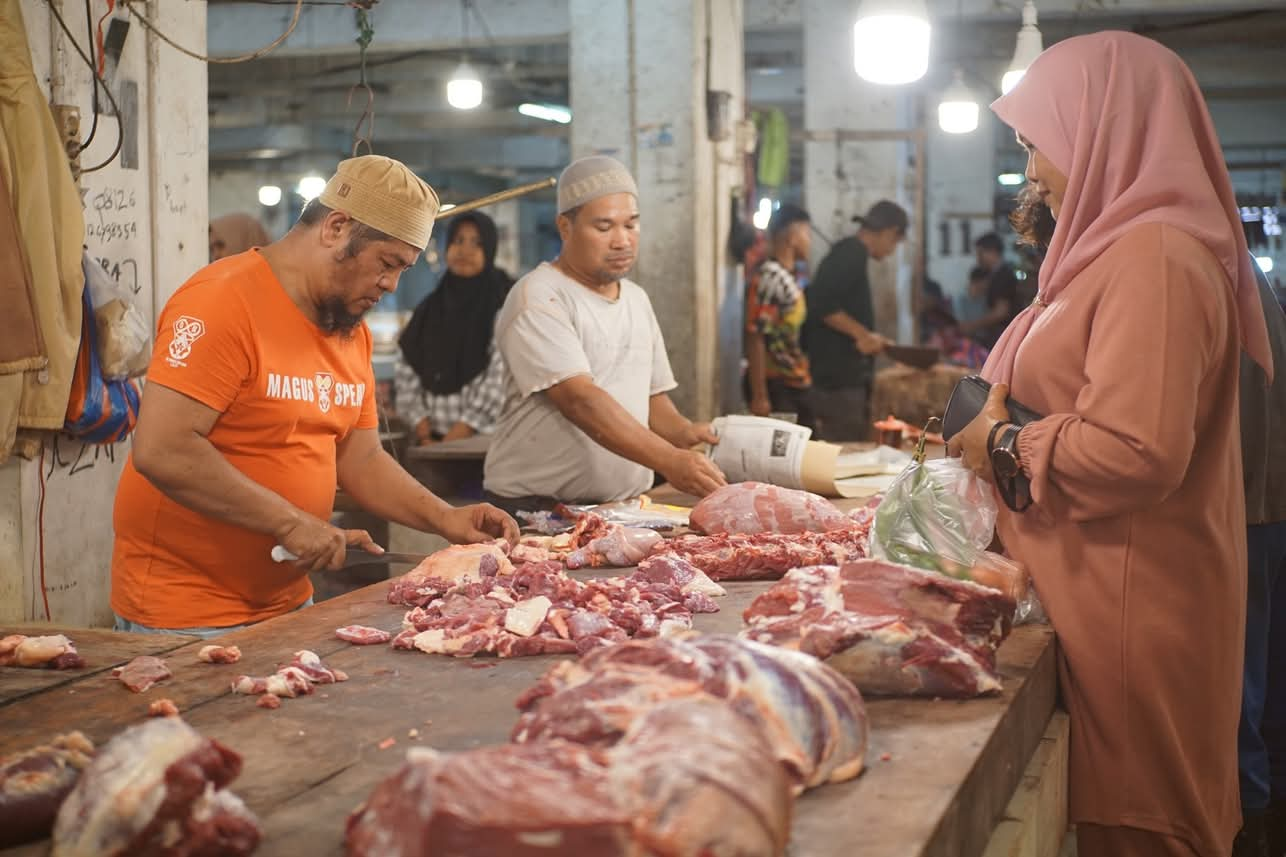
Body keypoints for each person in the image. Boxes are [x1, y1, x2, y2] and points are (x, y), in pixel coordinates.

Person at [946, 32, 1273, 857]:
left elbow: (1138, 451)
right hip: (1090, 594)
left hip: (1132, 614)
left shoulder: (1156, 260)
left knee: (1135, 831)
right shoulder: (1110, 255)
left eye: (1038, 146)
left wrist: (1002, 440)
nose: (1033, 175)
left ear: (1104, 132)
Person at [112, 155, 519, 638]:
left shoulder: (347, 327)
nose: (391, 286)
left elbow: (361, 457)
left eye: (404, 270)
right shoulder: (223, 301)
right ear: (337, 227)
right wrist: (289, 521)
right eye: (387, 264)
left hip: (289, 601)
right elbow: (163, 448)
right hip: (185, 614)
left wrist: (445, 517)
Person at [482, 155, 725, 510]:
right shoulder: (540, 296)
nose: (622, 241)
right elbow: (580, 401)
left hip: (621, 507)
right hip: (537, 510)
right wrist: (669, 460)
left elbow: (652, 399)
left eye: (631, 225)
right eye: (604, 227)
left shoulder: (637, 299)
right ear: (565, 227)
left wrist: (682, 432)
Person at [1235, 262, 1286, 857]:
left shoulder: (1180, 260)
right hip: (1269, 500)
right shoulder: (1244, 271)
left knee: (1239, 685)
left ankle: (1249, 820)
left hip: (1242, 508)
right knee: (1262, 673)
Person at [395, 211, 512, 443]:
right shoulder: (428, 309)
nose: (465, 250)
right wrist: (422, 427)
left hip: (486, 441)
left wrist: (461, 432)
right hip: (429, 440)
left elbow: (502, 373)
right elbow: (406, 364)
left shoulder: (503, 304)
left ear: (489, 250)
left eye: (476, 243)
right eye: (458, 241)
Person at [801, 199, 907, 441]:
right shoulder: (852, 252)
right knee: (843, 453)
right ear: (890, 232)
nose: (892, 251)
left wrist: (868, 336)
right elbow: (822, 303)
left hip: (841, 382)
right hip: (838, 385)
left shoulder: (851, 253)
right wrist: (863, 335)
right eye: (896, 243)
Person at [745, 203, 815, 428]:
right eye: (806, 233)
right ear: (792, 236)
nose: (809, 241)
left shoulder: (790, 276)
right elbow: (756, 336)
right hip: (777, 387)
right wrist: (760, 395)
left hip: (794, 381)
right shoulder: (771, 277)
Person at [957, 232, 1019, 350]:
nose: (978, 258)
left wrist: (972, 326)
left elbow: (1001, 311)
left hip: (1003, 334)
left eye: (980, 253)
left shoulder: (1003, 275)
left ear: (992, 252)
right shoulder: (994, 275)